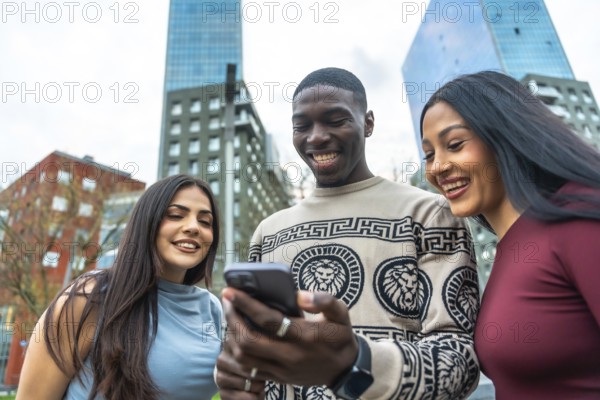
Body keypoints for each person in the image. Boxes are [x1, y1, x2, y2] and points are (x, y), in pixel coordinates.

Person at [216, 67, 480, 399]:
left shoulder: (429, 213)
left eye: (335, 120)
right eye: (302, 126)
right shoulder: (268, 233)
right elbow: (248, 345)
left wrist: (356, 361)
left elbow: (460, 356)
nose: (315, 137)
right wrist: (234, 371)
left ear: (368, 122)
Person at [420, 70, 600, 399]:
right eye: (429, 154)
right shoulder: (509, 249)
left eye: (455, 145)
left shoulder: (579, 211)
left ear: (504, 133)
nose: (437, 167)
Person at [16, 174, 223, 400]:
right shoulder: (90, 296)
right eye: (175, 215)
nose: (193, 227)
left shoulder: (211, 308)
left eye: (205, 221)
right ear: (147, 223)